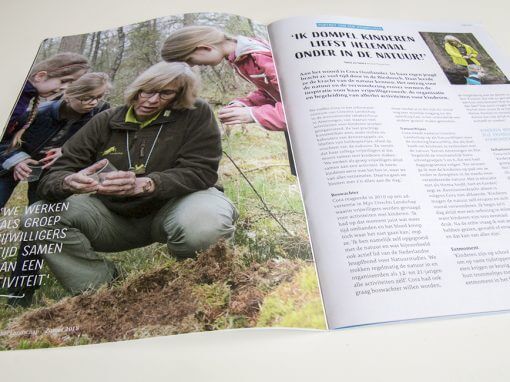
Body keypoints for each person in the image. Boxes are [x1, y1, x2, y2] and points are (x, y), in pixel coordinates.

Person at [13, 62, 237, 300]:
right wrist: (69, 181)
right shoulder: (105, 120)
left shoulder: (195, 113)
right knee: (37, 216)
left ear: (179, 95)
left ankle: (202, 287)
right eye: (146, 91)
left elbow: (201, 171)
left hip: (176, 206)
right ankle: (104, 291)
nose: (151, 100)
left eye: (165, 93)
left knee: (206, 224)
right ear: (136, 88)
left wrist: (147, 183)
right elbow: (53, 176)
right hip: (114, 217)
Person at [161, 26, 296, 174]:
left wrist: (252, 114)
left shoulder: (258, 56)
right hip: (293, 127)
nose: (194, 65)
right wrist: (245, 103)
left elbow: (305, 106)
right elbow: (276, 92)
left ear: (203, 48)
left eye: (190, 60)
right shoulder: (239, 58)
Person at [0, 72, 111, 208]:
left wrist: (66, 150)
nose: (93, 102)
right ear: (69, 95)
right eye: (86, 98)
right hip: (14, 165)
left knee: (40, 213)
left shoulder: (98, 117)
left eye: (99, 97)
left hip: (52, 171)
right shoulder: (37, 113)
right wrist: (18, 160)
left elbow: (98, 145)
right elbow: (4, 141)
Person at [1, 52, 90, 151]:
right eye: (64, 81)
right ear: (40, 76)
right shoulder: (15, 98)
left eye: (70, 84)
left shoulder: (24, 96)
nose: (64, 88)